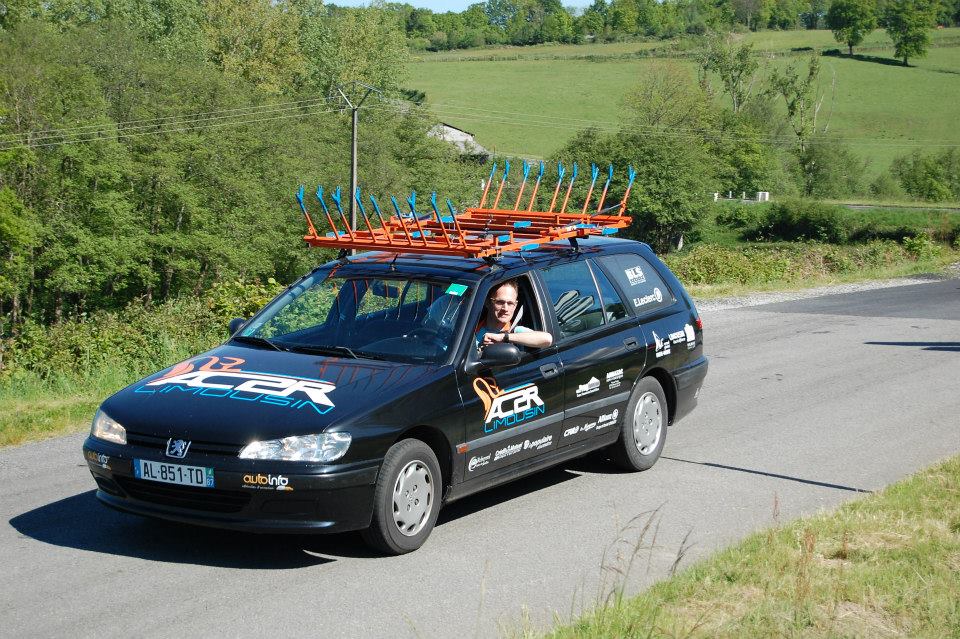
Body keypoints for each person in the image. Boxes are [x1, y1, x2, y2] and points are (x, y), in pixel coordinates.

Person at [476, 280, 553, 350]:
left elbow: (547, 339)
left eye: (510, 303)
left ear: (515, 305)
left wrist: (504, 337)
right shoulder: (472, 326)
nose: (505, 308)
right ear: (487, 302)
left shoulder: (515, 331)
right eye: (500, 302)